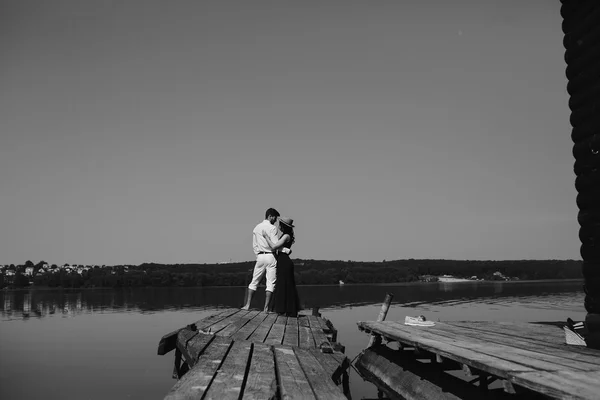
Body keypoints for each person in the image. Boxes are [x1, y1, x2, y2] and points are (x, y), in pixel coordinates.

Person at [242, 208, 281, 312]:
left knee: (254, 281)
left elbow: (254, 245)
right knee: (270, 283)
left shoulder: (256, 227)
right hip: (270, 256)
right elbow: (275, 245)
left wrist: (258, 255)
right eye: (275, 217)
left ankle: (247, 305)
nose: (276, 220)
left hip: (260, 256)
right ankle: (266, 308)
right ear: (270, 216)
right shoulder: (272, 228)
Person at [263, 216, 301, 317]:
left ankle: (286, 310)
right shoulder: (285, 235)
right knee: (283, 285)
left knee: (285, 285)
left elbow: (275, 246)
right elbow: (278, 248)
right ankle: (284, 309)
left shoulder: (286, 236)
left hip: (284, 262)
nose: (279, 225)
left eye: (280, 224)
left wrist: (266, 237)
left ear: (283, 226)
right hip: (282, 261)